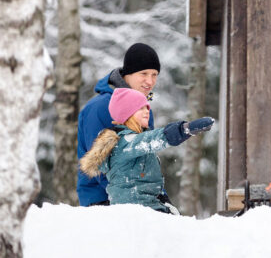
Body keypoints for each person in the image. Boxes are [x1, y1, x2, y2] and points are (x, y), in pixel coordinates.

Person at [78, 88, 214, 214]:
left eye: (147, 107)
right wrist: (184, 129)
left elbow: (146, 184)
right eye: (140, 108)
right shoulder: (125, 143)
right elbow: (156, 138)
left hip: (146, 208)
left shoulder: (132, 141)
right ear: (127, 113)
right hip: (135, 213)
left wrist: (164, 201)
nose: (147, 111)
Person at [77, 43, 160, 206]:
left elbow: (146, 161)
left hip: (137, 199)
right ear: (128, 74)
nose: (150, 81)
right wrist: (133, 197)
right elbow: (100, 163)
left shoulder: (143, 110)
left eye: (154, 74)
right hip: (103, 202)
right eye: (143, 73)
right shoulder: (100, 108)